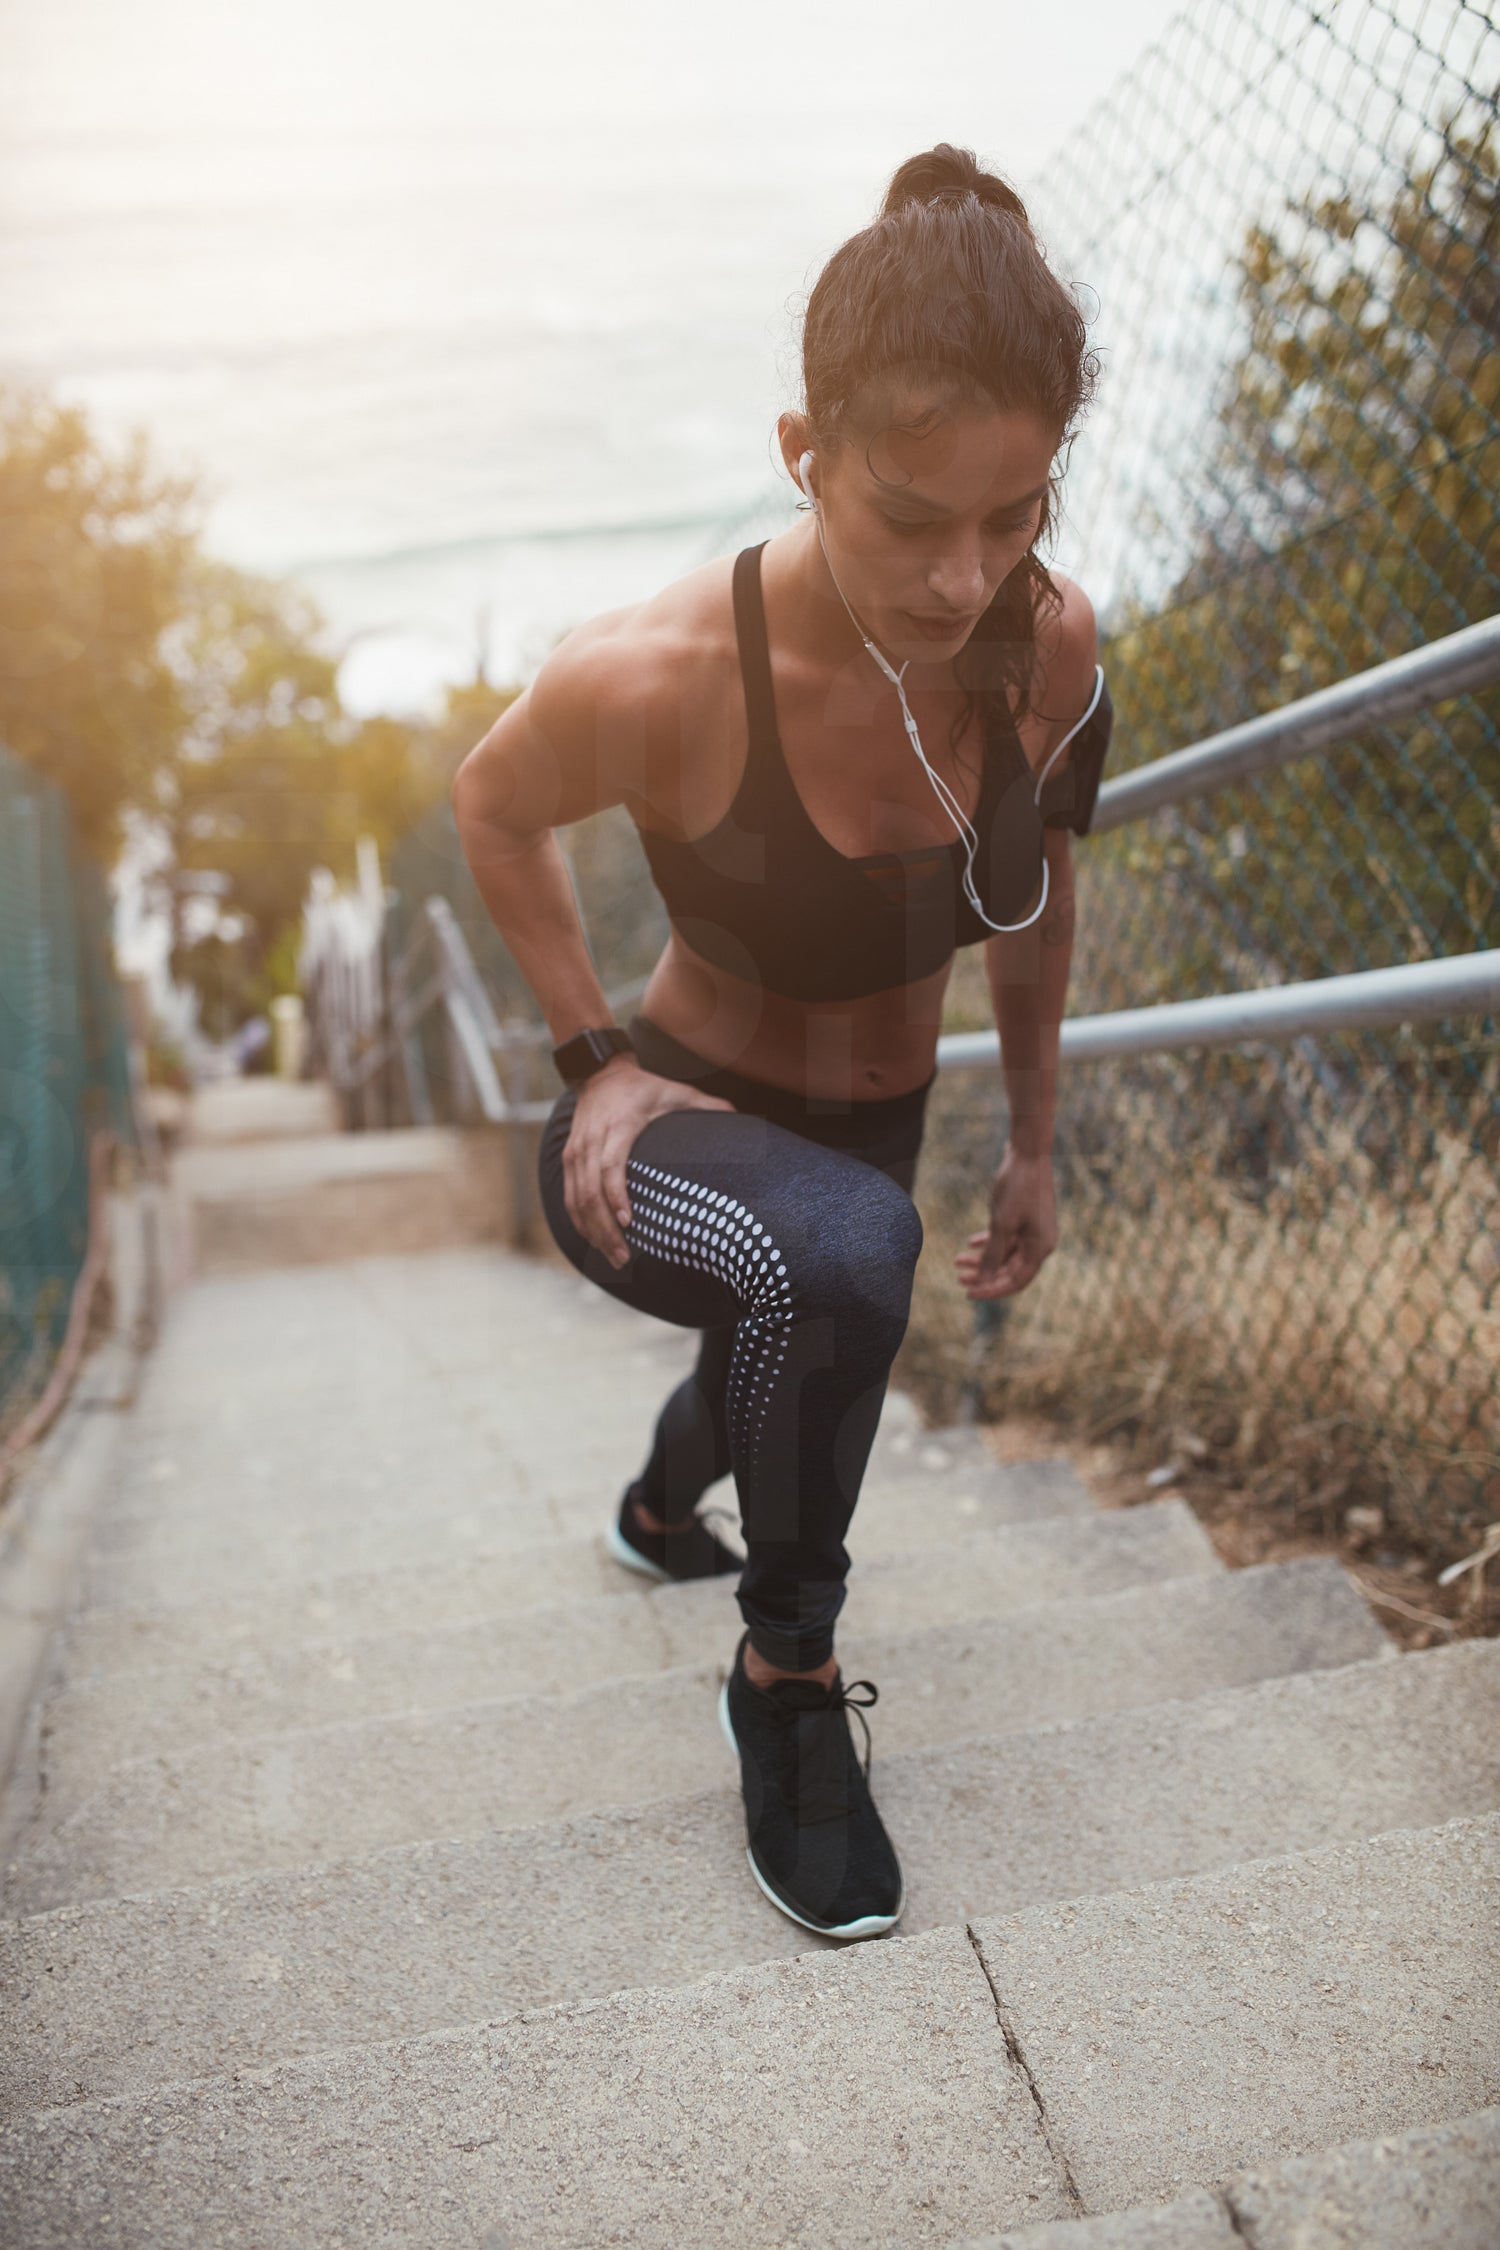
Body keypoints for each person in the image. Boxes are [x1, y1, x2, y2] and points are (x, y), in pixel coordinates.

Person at [451, 143, 1111, 1943]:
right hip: (660, 1131)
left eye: (1016, 516)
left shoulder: (1050, 656)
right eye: (911, 518)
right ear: (804, 452)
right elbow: (492, 804)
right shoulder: (664, 670)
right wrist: (593, 1057)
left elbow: (1038, 900)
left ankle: (663, 1508)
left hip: (875, 1133)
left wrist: (1034, 1136)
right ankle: (787, 1679)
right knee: (836, 1261)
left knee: (820, 1287)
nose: (965, 576)